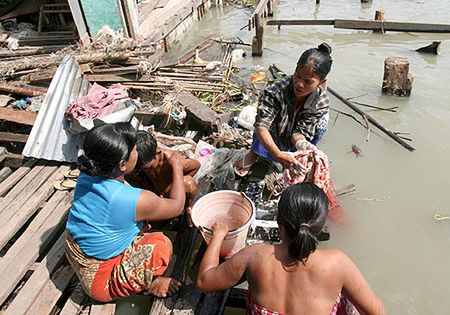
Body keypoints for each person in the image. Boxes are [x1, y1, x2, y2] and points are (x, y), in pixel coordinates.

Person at [197, 183, 386, 315]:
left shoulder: (256, 255)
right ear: (321, 227)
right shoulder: (337, 263)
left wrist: (218, 236)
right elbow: (376, 312)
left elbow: (205, 281)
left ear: (279, 220)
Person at [64, 122, 187, 302]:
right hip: (101, 282)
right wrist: (177, 165)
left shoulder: (88, 171)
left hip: (75, 249)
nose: (137, 153)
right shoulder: (134, 199)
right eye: (135, 150)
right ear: (122, 164)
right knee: (162, 244)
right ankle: (150, 284)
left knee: (139, 224)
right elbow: (176, 205)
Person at [235, 43, 333, 176]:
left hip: (295, 135)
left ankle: (298, 156)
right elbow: (261, 126)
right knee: (262, 120)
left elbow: (299, 133)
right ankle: (255, 152)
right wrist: (278, 155)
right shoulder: (276, 91)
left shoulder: (321, 101)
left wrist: (303, 144)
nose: (299, 84)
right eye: (297, 75)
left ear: (320, 83)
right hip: (275, 126)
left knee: (321, 125)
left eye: (308, 82)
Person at [126, 130, 200, 219]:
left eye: (147, 167)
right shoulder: (140, 165)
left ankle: (188, 207)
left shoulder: (172, 161)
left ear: (157, 153)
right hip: (153, 189)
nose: (144, 169)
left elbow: (196, 166)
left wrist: (172, 186)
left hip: (170, 193)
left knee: (189, 183)